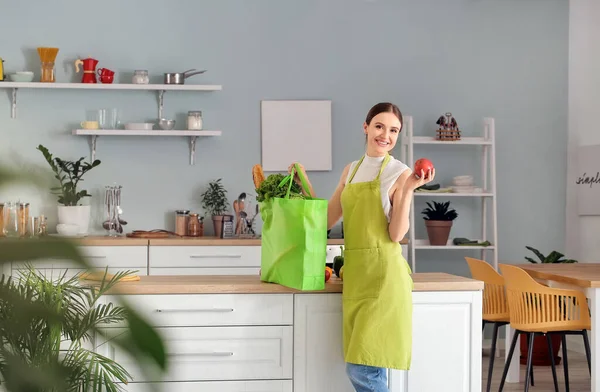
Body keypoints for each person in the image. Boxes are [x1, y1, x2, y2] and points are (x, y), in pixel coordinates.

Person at [290, 102, 435, 392]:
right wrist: (303, 186)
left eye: (394, 130)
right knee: (367, 362)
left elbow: (396, 234)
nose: (386, 135)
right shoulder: (351, 171)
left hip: (384, 277)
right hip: (356, 277)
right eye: (380, 126)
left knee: (364, 368)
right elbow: (327, 220)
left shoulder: (400, 172)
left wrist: (407, 191)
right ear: (366, 127)